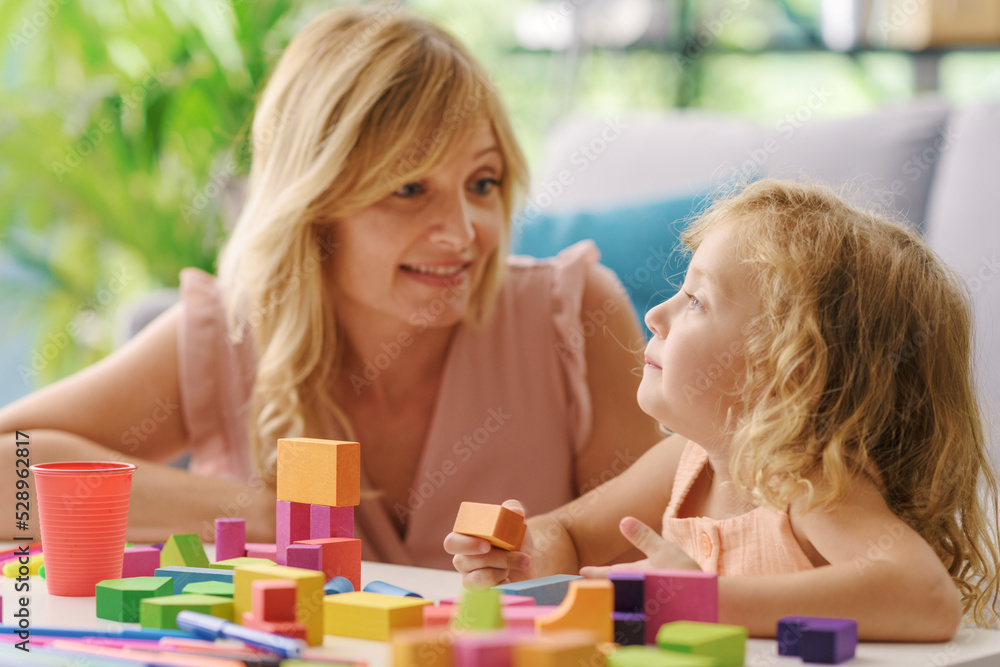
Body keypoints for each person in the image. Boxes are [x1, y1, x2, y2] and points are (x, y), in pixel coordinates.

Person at [0, 6, 661, 567]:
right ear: (315, 205)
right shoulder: (228, 336)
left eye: (482, 183)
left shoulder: (573, 316)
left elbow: (651, 548)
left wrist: (557, 548)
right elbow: (10, 466)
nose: (462, 233)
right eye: (409, 189)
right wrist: (261, 514)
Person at [445, 179, 1000, 637]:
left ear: (788, 369)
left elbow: (925, 596)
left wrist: (704, 601)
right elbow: (568, 534)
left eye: (695, 301)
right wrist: (523, 559)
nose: (655, 315)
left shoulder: (808, 482)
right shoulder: (689, 462)